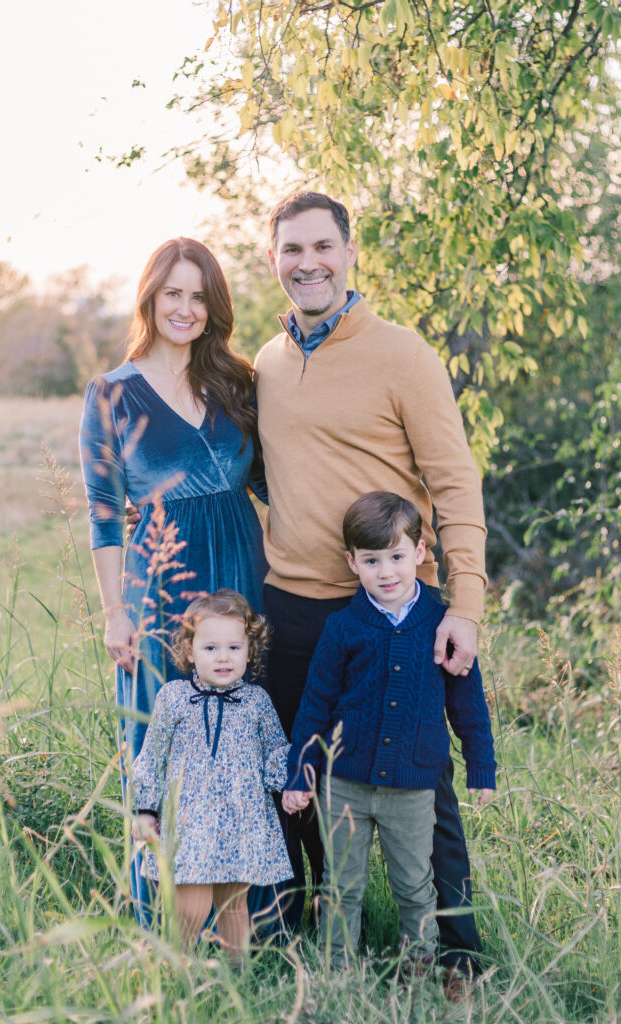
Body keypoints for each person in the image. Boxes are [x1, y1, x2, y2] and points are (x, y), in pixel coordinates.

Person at [255, 191, 489, 977]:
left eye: (322, 246)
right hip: (291, 609)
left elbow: (454, 482)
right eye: (292, 249)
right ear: (273, 260)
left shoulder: (402, 355)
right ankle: (313, 932)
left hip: (393, 608)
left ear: (349, 253)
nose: (307, 262)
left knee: (424, 780)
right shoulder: (266, 361)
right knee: (299, 778)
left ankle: (455, 949)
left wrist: (465, 605)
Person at [79, 238, 267, 920]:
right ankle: (161, 914)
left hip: (243, 568)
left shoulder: (237, 383)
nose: (185, 308)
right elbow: (104, 518)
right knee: (163, 739)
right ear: (150, 298)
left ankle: (253, 917)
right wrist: (112, 612)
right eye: (173, 294)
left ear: (212, 307)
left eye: (198, 296)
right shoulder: (111, 395)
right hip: (159, 580)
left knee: (241, 732)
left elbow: (278, 484)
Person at [282, 493, 496, 987]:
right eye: (372, 560)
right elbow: (315, 705)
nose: (386, 572)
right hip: (346, 787)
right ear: (352, 562)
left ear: (421, 552)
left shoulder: (441, 625)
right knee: (342, 886)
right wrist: (301, 772)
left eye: (397, 557)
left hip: (413, 789)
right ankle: (338, 971)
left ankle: (417, 968)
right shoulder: (342, 628)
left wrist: (480, 766)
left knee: (415, 886)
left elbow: (469, 706)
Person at [131, 590, 292, 958]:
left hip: (241, 822)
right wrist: (144, 809)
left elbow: (276, 754)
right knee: (190, 906)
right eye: (210, 648)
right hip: (190, 823)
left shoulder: (256, 701)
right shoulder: (173, 697)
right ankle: (174, 972)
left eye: (234, 648)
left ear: (249, 651)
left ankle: (237, 980)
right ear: (189, 651)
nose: (223, 657)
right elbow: (152, 756)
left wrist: (295, 777)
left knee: (234, 907)